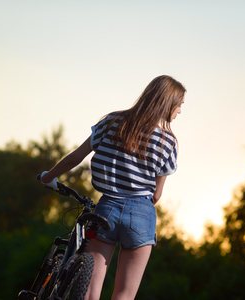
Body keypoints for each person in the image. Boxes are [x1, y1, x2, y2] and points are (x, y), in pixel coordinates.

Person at [40, 75, 186, 300]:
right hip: (141, 215)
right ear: (168, 104)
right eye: (179, 105)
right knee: (124, 295)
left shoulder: (111, 122)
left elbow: (74, 158)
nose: (179, 111)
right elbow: (157, 194)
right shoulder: (168, 142)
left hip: (107, 207)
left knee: (90, 290)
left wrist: (48, 177)